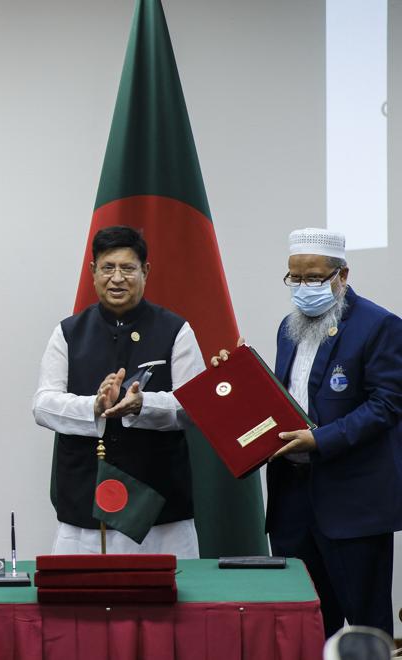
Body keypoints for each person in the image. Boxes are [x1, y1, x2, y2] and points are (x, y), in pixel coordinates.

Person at [212, 228, 401, 637]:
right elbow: (285, 402)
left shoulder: (379, 325)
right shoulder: (288, 327)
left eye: (313, 278)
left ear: (342, 275)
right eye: (294, 278)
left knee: (366, 626)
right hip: (292, 499)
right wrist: (239, 375)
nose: (302, 287)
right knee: (304, 622)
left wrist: (321, 439)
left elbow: (387, 404)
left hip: (351, 502)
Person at [32, 225, 204, 557]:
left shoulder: (176, 330)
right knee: (81, 606)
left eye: (128, 268)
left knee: (168, 604)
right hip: (85, 499)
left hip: (159, 506)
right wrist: (93, 407)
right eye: (108, 268)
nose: (117, 278)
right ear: (94, 272)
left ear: (145, 271)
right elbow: (42, 404)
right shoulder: (68, 332)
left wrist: (143, 405)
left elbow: (193, 406)